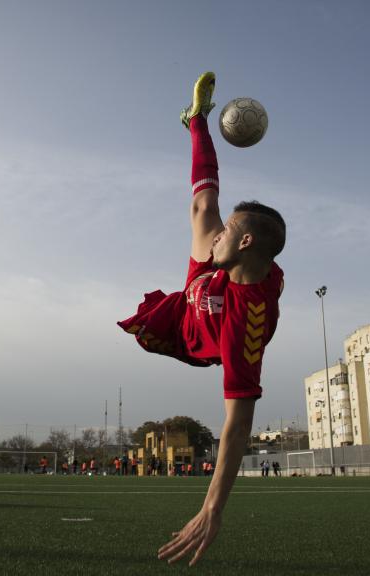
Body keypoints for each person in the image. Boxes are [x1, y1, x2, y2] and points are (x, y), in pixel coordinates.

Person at [118, 73, 285, 565]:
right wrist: (199, 126)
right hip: (202, 292)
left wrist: (212, 507)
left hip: (194, 338)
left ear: (246, 242)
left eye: (228, 230)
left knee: (205, 217)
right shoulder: (221, 257)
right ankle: (196, 119)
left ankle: (196, 123)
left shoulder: (247, 323)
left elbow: (237, 423)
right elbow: (206, 202)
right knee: (203, 204)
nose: (218, 234)